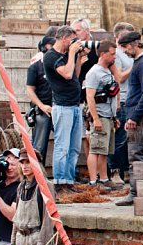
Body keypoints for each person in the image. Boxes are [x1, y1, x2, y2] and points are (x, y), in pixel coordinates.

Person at [44, 25, 90, 195]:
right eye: (71, 40)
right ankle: (59, 182)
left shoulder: (67, 56)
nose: (73, 43)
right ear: (63, 38)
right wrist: (71, 53)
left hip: (75, 105)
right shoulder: (51, 57)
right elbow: (67, 74)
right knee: (62, 146)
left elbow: (76, 75)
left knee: (74, 147)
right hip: (62, 107)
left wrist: (78, 56)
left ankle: (69, 180)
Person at [115, 32, 143, 207]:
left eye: (125, 47)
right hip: (140, 115)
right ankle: (142, 192)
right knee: (141, 155)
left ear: (134, 44)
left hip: (140, 117)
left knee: (137, 155)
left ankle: (136, 193)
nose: (124, 51)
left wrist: (134, 116)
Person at [9, 153, 60, 245]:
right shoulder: (21, 187)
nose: (25, 166)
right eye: (22, 162)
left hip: (36, 238)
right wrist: (13, 243)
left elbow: (48, 219)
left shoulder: (45, 185)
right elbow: (17, 217)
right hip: (22, 241)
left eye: (28, 162)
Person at [83, 40, 119, 188]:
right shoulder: (94, 72)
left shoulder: (107, 71)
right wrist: (96, 119)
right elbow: (89, 96)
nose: (114, 57)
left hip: (108, 116)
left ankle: (104, 179)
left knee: (104, 150)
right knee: (95, 149)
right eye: (112, 54)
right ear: (103, 54)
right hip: (100, 116)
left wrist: (114, 117)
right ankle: (93, 180)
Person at [108, 22, 136, 183]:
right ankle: (115, 171)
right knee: (119, 137)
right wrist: (135, 67)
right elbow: (118, 77)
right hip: (121, 98)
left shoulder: (129, 54)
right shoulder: (116, 55)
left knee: (128, 138)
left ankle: (125, 170)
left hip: (131, 98)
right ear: (118, 36)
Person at [26, 30, 57, 163]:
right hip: (42, 111)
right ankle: (37, 177)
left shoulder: (59, 64)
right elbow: (30, 89)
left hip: (58, 108)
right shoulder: (35, 67)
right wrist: (41, 106)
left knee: (63, 145)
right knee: (39, 147)